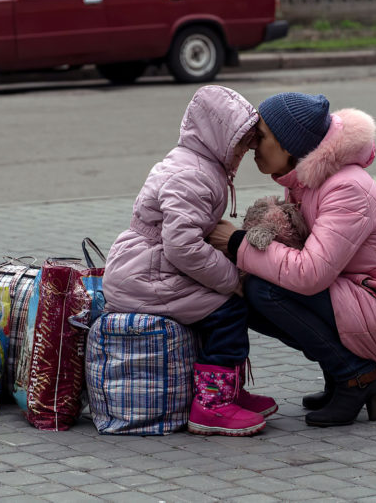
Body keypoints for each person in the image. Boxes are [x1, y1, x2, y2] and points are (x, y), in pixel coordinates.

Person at [209, 92, 376, 427]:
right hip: (361, 294)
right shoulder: (307, 182)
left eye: (262, 137)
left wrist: (237, 244)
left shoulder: (346, 188)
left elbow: (311, 274)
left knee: (265, 292)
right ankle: (338, 373)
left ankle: (355, 377)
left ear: (290, 144)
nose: (253, 146)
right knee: (249, 296)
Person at [103, 85, 277, 436]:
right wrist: (232, 278)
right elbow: (182, 247)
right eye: (240, 142)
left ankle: (227, 390)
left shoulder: (196, 162)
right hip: (146, 274)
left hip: (148, 267)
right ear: (219, 138)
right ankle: (213, 405)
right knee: (227, 310)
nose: (245, 150)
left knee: (219, 307)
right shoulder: (194, 175)